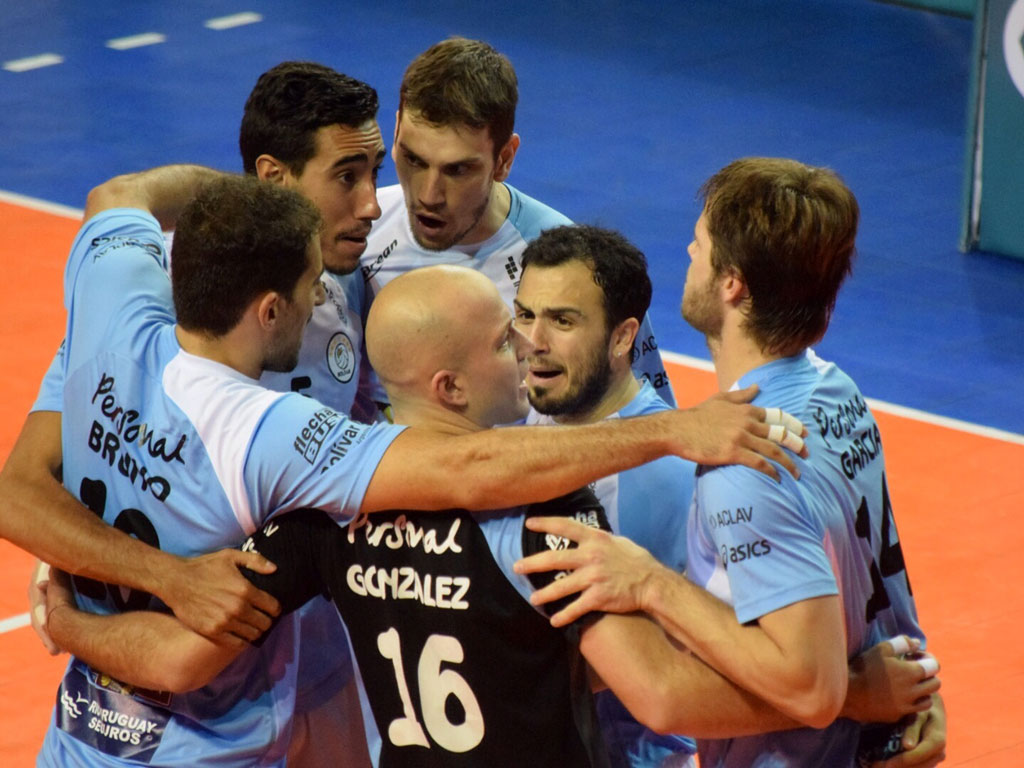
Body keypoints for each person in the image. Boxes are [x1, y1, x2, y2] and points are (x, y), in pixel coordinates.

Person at [30, 164, 803, 766]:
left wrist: (68, 623)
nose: (526, 347)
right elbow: (661, 696)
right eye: (506, 334)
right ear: (450, 386)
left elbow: (178, 657)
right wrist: (828, 699)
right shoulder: (545, 524)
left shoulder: (318, 522)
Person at [8, 61, 390, 767]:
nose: (372, 203)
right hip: (172, 689)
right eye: (347, 176)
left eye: (376, 171)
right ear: (273, 178)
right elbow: (20, 491)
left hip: (311, 655)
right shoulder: (154, 297)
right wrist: (164, 575)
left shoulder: (352, 286)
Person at [515, 158, 946, 767]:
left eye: (700, 244)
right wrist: (921, 688)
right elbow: (878, 576)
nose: (689, 253)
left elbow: (811, 690)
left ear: (732, 285)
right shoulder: (837, 392)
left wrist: (650, 581)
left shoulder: (745, 469)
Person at [360, 36, 676, 406]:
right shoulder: (357, 233)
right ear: (396, 129)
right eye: (414, 160)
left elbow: (649, 422)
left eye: (458, 170)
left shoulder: (580, 274)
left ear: (504, 159)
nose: (429, 195)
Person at [516, 225, 696, 766]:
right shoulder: (521, 413)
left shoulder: (667, 473)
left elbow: (669, 649)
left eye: (562, 321)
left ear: (622, 338)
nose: (533, 341)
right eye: (525, 315)